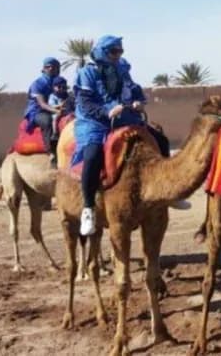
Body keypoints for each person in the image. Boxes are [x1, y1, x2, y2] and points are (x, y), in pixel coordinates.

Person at [72, 35, 185, 236]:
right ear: (103, 52)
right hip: (94, 122)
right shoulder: (87, 73)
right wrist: (106, 111)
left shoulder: (121, 69)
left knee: (160, 140)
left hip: (124, 117)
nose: (118, 55)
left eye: (120, 51)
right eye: (114, 51)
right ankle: (88, 208)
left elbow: (135, 91)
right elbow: (85, 103)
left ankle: (169, 192)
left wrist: (138, 103)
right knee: (92, 154)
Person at [24, 57, 62, 167]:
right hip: (37, 111)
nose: (51, 69)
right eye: (48, 67)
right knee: (46, 121)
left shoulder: (58, 83)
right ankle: (51, 151)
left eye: (54, 67)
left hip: (54, 109)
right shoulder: (38, 84)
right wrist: (56, 110)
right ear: (44, 69)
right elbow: (42, 104)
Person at [48, 76, 74, 143]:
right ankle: (55, 133)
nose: (61, 89)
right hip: (57, 111)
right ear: (54, 87)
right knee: (55, 118)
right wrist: (60, 106)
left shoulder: (67, 95)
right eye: (59, 87)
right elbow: (51, 106)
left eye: (63, 87)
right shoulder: (52, 96)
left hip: (67, 111)